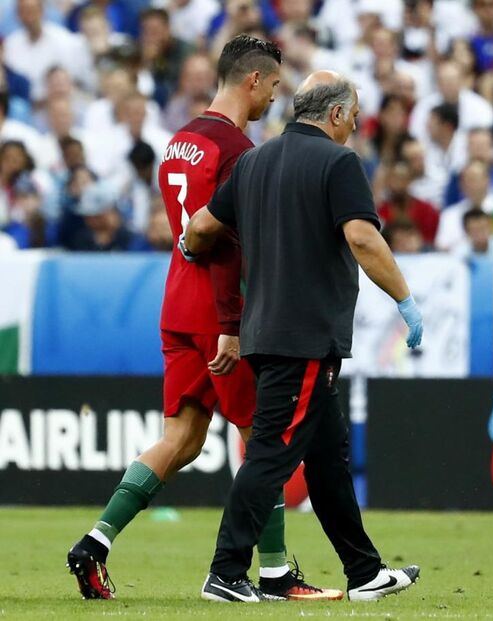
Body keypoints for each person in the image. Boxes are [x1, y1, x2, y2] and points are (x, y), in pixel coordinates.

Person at [66, 36, 335, 603]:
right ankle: (275, 573)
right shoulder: (238, 149)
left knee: (183, 439)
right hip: (221, 311)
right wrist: (233, 324)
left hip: (175, 304)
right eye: (274, 86)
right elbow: (222, 243)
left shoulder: (178, 142)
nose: (273, 98)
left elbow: (184, 230)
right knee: (261, 436)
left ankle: (94, 543)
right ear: (252, 81)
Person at [183, 70, 423, 603]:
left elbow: (200, 228)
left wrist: (188, 246)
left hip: (264, 329)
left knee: (328, 456)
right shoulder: (339, 163)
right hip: (307, 336)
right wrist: (405, 298)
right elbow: (362, 236)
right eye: (354, 115)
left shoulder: (253, 160)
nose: (356, 125)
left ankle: (363, 573)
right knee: (271, 452)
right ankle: (225, 570)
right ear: (335, 114)